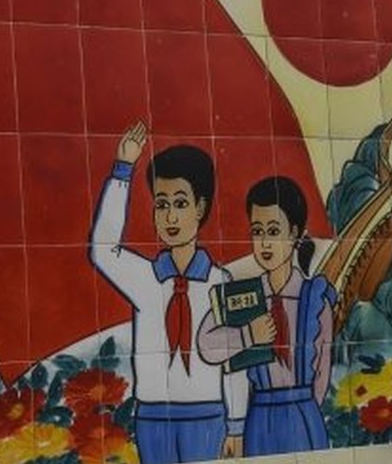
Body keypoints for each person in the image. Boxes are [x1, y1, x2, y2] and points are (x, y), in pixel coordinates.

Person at [89, 121, 249, 464]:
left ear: (201, 208)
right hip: (152, 419)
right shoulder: (144, 278)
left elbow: (235, 364)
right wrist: (123, 170)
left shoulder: (222, 283)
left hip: (207, 417)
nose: (170, 216)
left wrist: (236, 427)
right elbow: (102, 249)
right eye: (162, 204)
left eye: (180, 203)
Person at [198, 176, 335, 456]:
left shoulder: (315, 296)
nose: (264, 243)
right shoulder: (242, 296)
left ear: (295, 233)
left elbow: (323, 368)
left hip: (304, 414)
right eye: (257, 231)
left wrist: (305, 407)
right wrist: (247, 334)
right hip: (258, 416)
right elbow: (206, 345)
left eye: (274, 231)